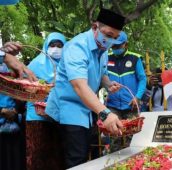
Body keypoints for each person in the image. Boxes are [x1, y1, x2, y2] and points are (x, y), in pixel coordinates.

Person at [45, 8, 126, 169]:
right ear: (95, 26)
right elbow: (79, 86)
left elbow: (102, 74)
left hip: (88, 109)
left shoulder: (103, 50)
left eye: (115, 38)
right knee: (76, 158)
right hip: (69, 109)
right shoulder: (77, 47)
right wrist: (105, 113)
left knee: (89, 154)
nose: (111, 41)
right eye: (108, 35)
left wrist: (108, 84)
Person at [26, 32, 66, 170]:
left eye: (60, 45)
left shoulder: (67, 65)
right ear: (46, 46)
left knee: (56, 155)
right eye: (52, 45)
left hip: (59, 117)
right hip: (36, 116)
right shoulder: (35, 64)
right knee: (37, 155)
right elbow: (25, 87)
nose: (55, 48)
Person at [104, 31, 147, 151]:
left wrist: (137, 97)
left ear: (125, 44)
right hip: (113, 105)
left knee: (132, 138)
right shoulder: (106, 58)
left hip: (131, 104)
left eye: (118, 46)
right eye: (113, 46)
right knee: (114, 137)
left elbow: (142, 79)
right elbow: (102, 78)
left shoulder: (135, 58)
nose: (115, 48)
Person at [0, 63, 26, 170]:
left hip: (15, 126)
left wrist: (15, 111)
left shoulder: (16, 82)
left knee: (16, 160)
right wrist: (2, 111)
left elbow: (24, 100)